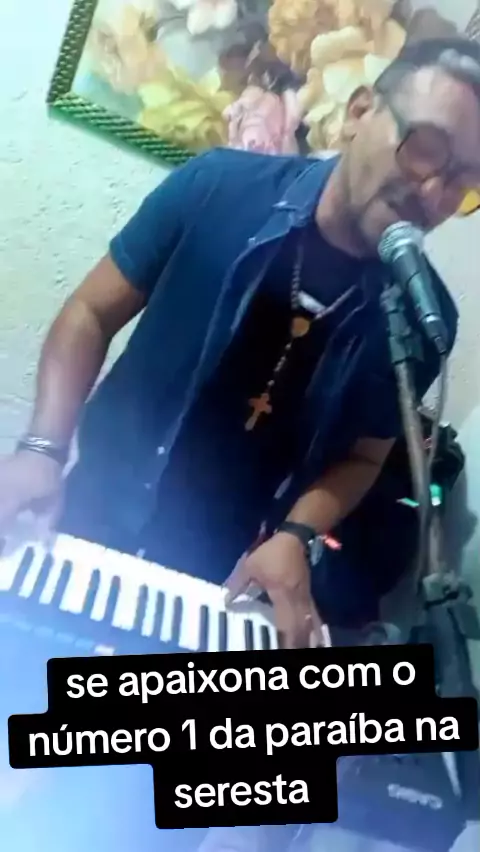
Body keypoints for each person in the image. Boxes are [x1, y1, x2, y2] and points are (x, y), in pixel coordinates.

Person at [1, 36, 479, 656]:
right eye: (426, 149)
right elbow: (90, 312)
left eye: (465, 180)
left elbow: (364, 458)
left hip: (216, 575)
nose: (434, 193)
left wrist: (296, 535)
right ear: (360, 111)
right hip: (86, 514)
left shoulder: (424, 314)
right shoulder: (216, 186)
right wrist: (42, 447)